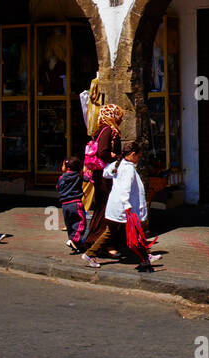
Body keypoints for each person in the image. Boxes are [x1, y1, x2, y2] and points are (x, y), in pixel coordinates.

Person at [84, 139, 154, 272]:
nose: (138, 159)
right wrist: (127, 205)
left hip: (116, 206)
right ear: (133, 154)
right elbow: (125, 189)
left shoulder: (119, 165)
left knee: (116, 232)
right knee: (133, 232)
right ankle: (145, 257)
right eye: (138, 156)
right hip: (123, 207)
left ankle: (145, 257)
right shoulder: (128, 169)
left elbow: (106, 172)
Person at [80, 104, 124, 254]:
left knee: (102, 207)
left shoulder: (101, 129)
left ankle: (95, 239)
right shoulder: (107, 130)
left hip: (101, 175)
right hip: (106, 176)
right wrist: (117, 157)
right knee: (107, 208)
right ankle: (101, 242)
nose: (121, 119)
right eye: (119, 115)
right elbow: (103, 151)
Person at [57, 156, 86, 253]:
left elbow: (58, 187)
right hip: (76, 203)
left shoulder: (62, 177)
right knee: (81, 222)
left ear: (67, 168)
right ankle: (75, 240)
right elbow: (88, 178)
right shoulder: (79, 175)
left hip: (64, 204)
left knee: (69, 224)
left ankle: (76, 244)